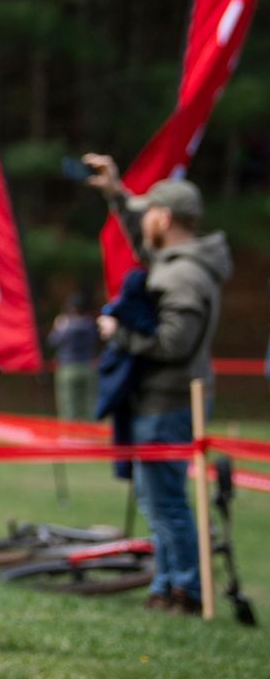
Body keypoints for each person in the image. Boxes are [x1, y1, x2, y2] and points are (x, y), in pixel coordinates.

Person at [82, 157, 232, 613]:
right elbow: (145, 243)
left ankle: (186, 589)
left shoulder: (183, 274)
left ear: (164, 219)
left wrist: (118, 334)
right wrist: (117, 194)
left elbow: (172, 343)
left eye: (149, 212)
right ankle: (167, 585)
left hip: (167, 402)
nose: (143, 219)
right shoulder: (176, 262)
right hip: (162, 399)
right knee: (157, 500)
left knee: (166, 503)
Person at [47, 291, 100, 422]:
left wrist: (58, 327)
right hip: (88, 366)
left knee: (68, 407)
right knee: (89, 405)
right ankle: (91, 431)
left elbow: (52, 341)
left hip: (68, 368)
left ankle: (70, 433)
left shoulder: (66, 325)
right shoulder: (90, 324)